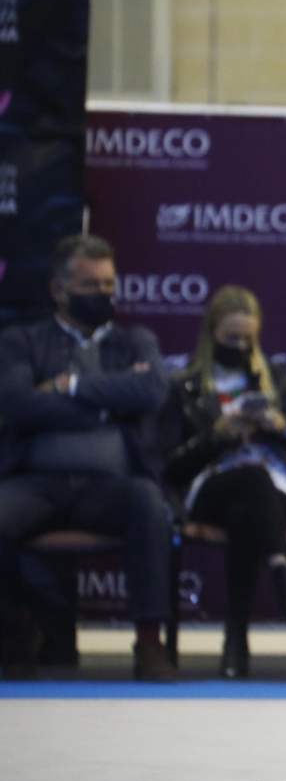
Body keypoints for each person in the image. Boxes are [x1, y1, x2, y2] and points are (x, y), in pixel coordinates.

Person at [0, 234, 175, 680]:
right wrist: (110, 402)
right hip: (35, 481)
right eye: (89, 286)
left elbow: (151, 391)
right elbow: (18, 403)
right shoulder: (23, 340)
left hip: (107, 486)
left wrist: (69, 387)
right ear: (59, 290)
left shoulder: (134, 341)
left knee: (148, 504)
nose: (102, 295)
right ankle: (13, 633)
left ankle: (150, 644)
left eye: (108, 285)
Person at [160, 285, 286, 678]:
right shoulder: (186, 385)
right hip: (210, 484)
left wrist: (279, 426)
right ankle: (282, 572)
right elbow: (172, 468)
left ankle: (236, 641)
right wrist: (218, 434)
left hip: (276, 491)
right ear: (211, 333)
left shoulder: (275, 379)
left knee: (244, 510)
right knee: (248, 479)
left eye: (249, 338)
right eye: (233, 338)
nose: (242, 345)